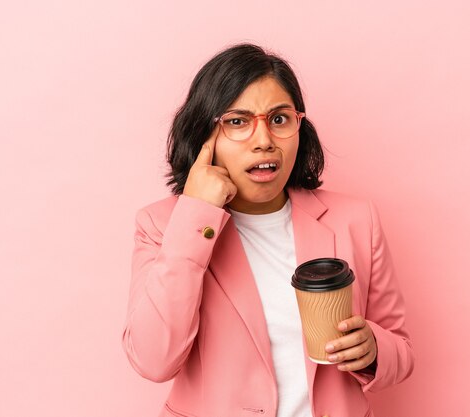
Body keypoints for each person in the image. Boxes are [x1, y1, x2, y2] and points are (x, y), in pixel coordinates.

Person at [122, 43, 414, 417]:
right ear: (203, 135)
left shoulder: (355, 219)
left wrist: (373, 350)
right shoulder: (162, 226)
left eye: (279, 119)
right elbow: (153, 360)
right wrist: (197, 213)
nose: (264, 141)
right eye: (238, 121)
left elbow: (401, 350)